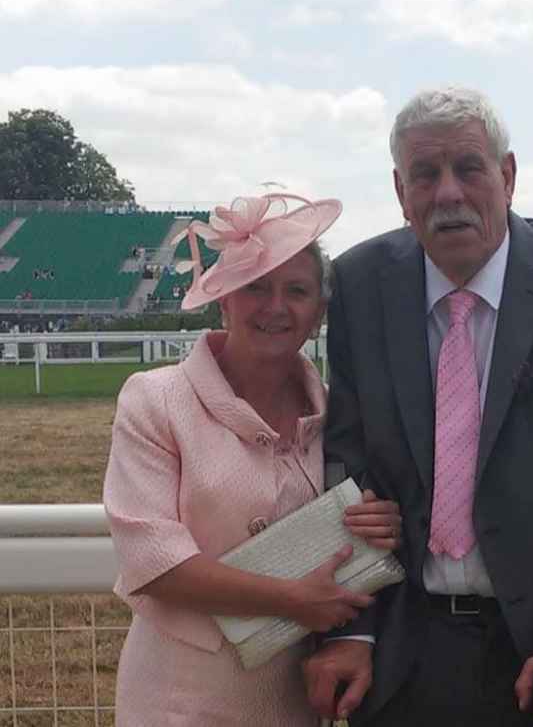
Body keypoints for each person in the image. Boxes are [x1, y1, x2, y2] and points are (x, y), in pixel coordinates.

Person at [303, 87, 533, 727]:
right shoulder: (359, 284)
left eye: (468, 167)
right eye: (424, 174)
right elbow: (350, 465)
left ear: (508, 175)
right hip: (401, 656)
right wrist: (354, 632)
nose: (447, 193)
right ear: (399, 190)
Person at [103, 192, 402, 726]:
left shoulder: (340, 418)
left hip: (293, 697)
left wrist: (379, 524)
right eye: (256, 287)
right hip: (176, 699)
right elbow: (152, 564)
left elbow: (358, 535)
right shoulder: (155, 400)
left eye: (296, 291)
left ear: (318, 313)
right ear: (225, 299)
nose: (275, 307)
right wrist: (291, 600)